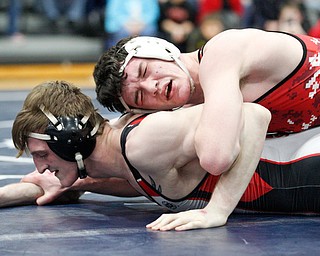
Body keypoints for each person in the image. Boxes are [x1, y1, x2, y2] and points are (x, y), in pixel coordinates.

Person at [7, 80, 272, 231]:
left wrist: (217, 211)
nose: (40, 168)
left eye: (42, 155)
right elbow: (145, 180)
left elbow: (253, 115)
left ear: (69, 140)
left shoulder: (143, 141)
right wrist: (81, 183)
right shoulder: (116, 157)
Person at [93, 28, 320, 183]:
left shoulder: (222, 53)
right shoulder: (196, 107)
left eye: (145, 71)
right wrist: (82, 180)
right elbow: (153, 173)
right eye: (140, 96)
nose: (152, 86)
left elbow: (216, 159)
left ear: (158, 49)